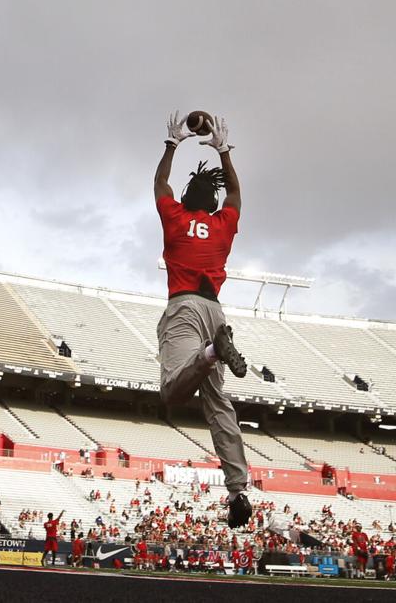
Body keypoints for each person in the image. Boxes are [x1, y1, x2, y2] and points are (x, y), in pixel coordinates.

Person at [153, 112, 251, 529]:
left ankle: (212, 352)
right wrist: (224, 151)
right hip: (216, 311)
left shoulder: (175, 218)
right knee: (219, 405)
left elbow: (160, 186)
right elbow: (236, 194)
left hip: (186, 308)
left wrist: (172, 144)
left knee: (172, 394)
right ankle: (238, 489)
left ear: (185, 199)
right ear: (211, 203)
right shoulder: (223, 224)